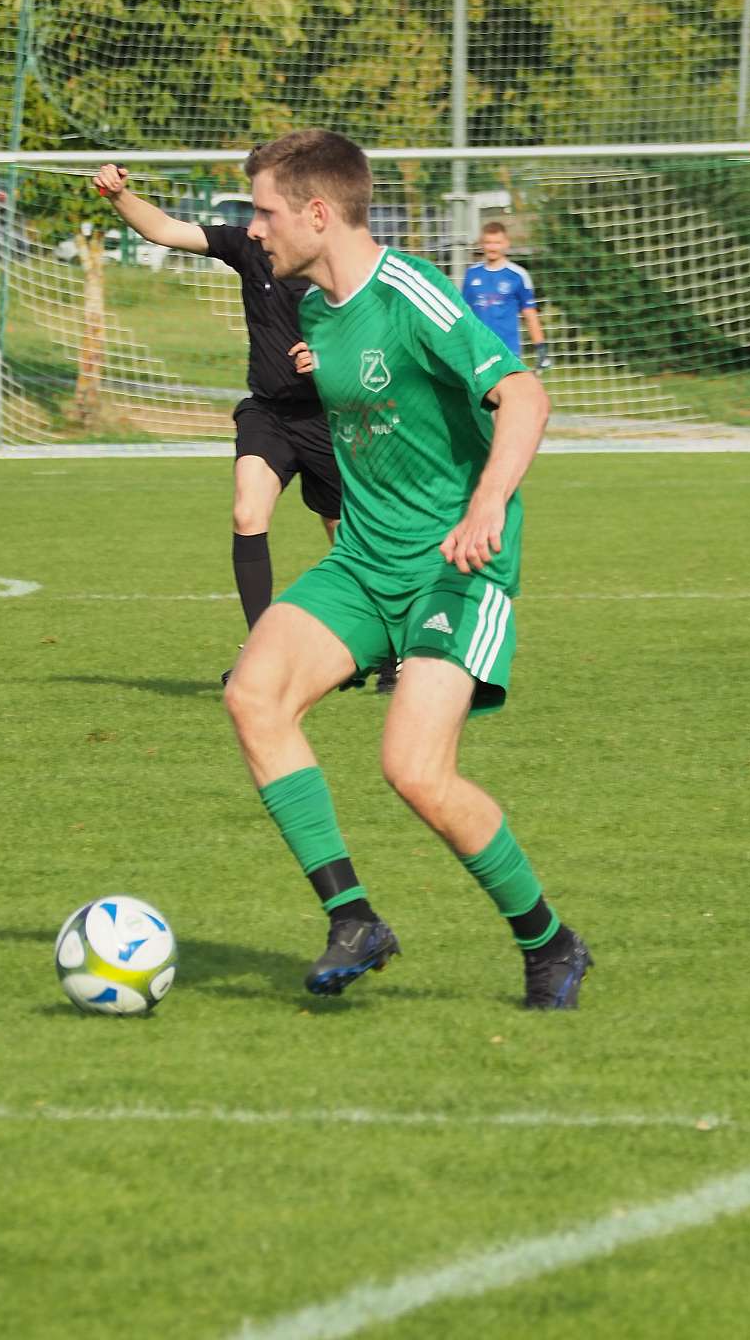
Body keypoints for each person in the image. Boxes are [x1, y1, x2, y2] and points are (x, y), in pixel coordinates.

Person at [223, 129, 591, 1010]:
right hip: (362, 563)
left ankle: (549, 943)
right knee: (253, 695)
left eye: (265, 212)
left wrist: (487, 504)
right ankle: (353, 919)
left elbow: (525, 395)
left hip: (453, 569)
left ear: (318, 212)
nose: (254, 229)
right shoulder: (316, 313)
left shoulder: (412, 291)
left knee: (415, 770)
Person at [91, 162, 398, 693]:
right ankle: (262, 655)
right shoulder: (247, 246)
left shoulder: (343, 262)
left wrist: (331, 360)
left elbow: (381, 345)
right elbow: (165, 229)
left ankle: (391, 647)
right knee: (246, 511)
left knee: (347, 539)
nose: (257, 222)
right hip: (268, 412)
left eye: (266, 207)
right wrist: (118, 196)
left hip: (331, 418)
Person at [462, 221, 552, 371]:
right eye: (488, 243)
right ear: (482, 244)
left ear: (506, 244)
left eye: (497, 243)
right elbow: (464, 312)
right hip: (478, 350)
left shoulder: (517, 275)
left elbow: (530, 314)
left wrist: (541, 349)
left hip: (508, 350)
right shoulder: (472, 274)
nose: (492, 247)